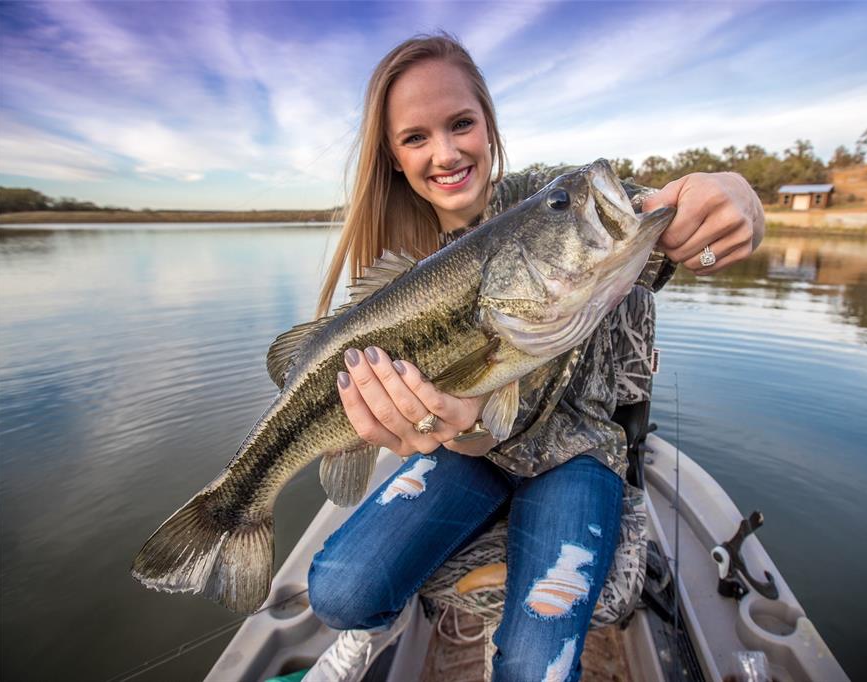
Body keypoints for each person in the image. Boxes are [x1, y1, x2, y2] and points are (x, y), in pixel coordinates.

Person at [306, 34, 764, 680]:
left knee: (531, 668)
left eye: (461, 123)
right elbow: (447, 424)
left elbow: (664, 212)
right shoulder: (400, 261)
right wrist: (446, 427)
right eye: (416, 138)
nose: (445, 152)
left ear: (490, 127)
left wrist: (732, 194)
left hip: (578, 455)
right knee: (338, 591)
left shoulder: (551, 207)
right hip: (476, 455)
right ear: (393, 157)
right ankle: (371, 629)